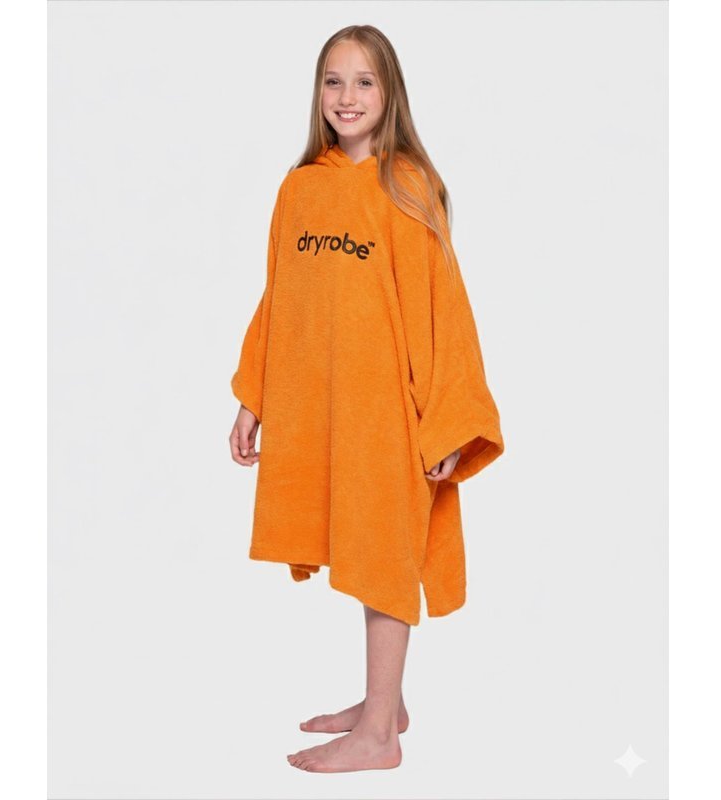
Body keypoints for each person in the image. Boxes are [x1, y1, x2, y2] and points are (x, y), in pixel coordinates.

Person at [229, 25, 505, 773]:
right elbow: (279, 299)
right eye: (333, 80)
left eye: (363, 81)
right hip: (324, 412)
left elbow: (444, 308)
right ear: (317, 93)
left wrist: (447, 421)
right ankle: (387, 703)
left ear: (390, 94)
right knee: (356, 542)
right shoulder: (300, 189)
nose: (346, 96)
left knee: (382, 555)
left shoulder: (407, 187)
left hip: (389, 415)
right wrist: (255, 396)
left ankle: (378, 735)